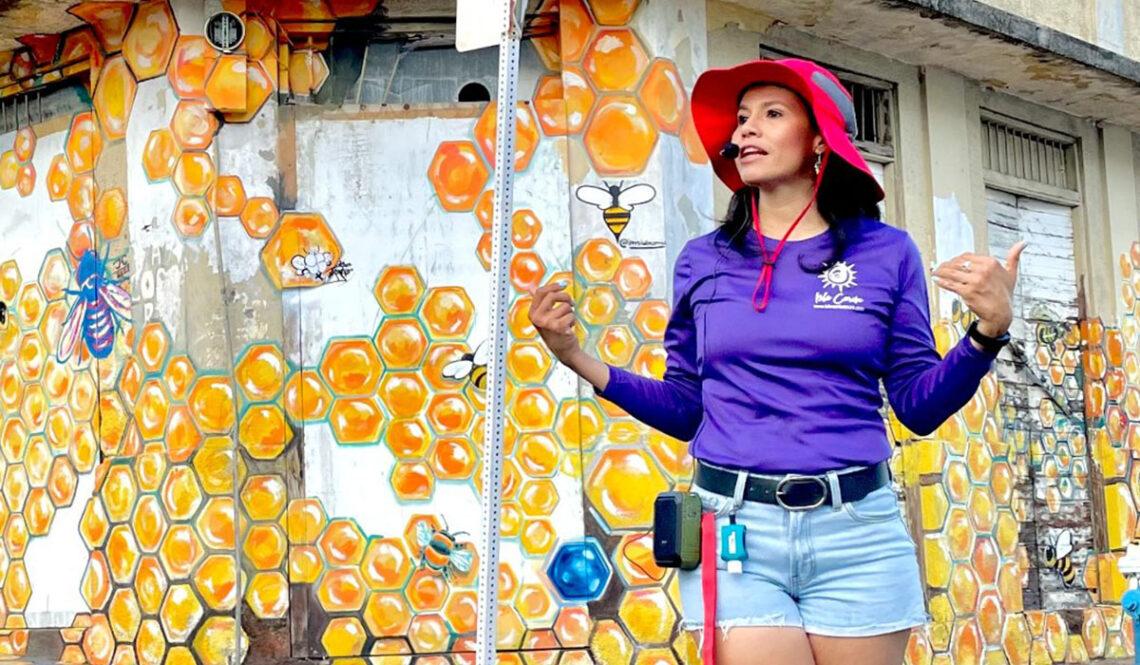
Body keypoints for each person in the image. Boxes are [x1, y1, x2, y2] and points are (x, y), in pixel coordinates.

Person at [528, 57, 1025, 665]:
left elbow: (918, 407)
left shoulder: (886, 252)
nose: (745, 132)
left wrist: (988, 332)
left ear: (819, 139)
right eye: (741, 120)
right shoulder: (701, 260)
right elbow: (688, 409)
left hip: (858, 533)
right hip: (737, 531)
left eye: (771, 114)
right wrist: (574, 355)